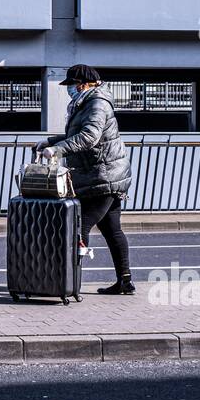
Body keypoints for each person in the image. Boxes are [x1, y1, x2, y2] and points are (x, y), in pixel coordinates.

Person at [40, 64, 135, 295]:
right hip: (103, 174)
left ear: (83, 84)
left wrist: (58, 150)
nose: (69, 90)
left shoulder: (97, 103)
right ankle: (125, 281)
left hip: (103, 176)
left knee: (78, 227)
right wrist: (51, 142)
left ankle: (69, 283)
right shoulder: (87, 102)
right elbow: (77, 134)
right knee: (112, 230)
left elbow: (89, 137)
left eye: (71, 85)